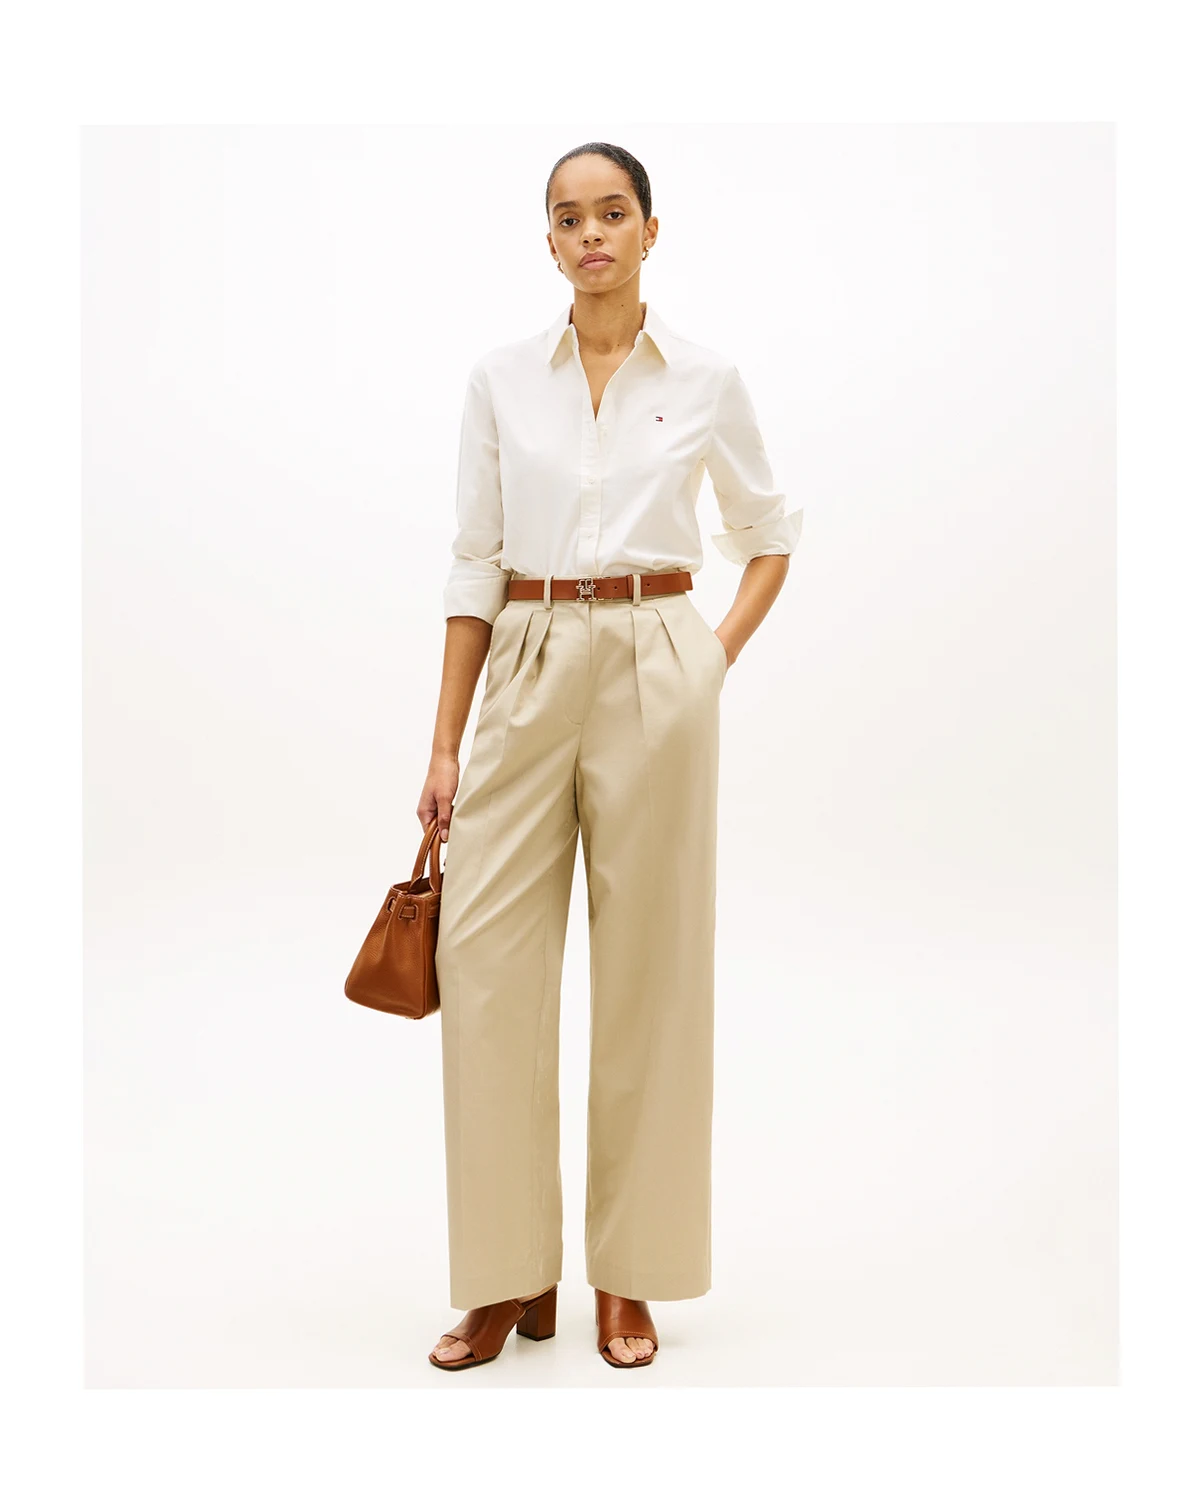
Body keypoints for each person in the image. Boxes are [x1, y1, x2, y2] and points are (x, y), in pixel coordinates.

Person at [418, 141, 801, 1371]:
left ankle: (626, 1275)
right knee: (485, 968)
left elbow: (768, 531)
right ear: (548, 241)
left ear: (649, 230)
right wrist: (444, 741)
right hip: (527, 654)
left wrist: (706, 661)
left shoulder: (705, 378)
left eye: (613, 212)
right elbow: (475, 559)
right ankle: (508, 1272)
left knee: (652, 975)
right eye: (569, 217)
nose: (592, 234)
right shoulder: (499, 380)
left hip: (655, 655)